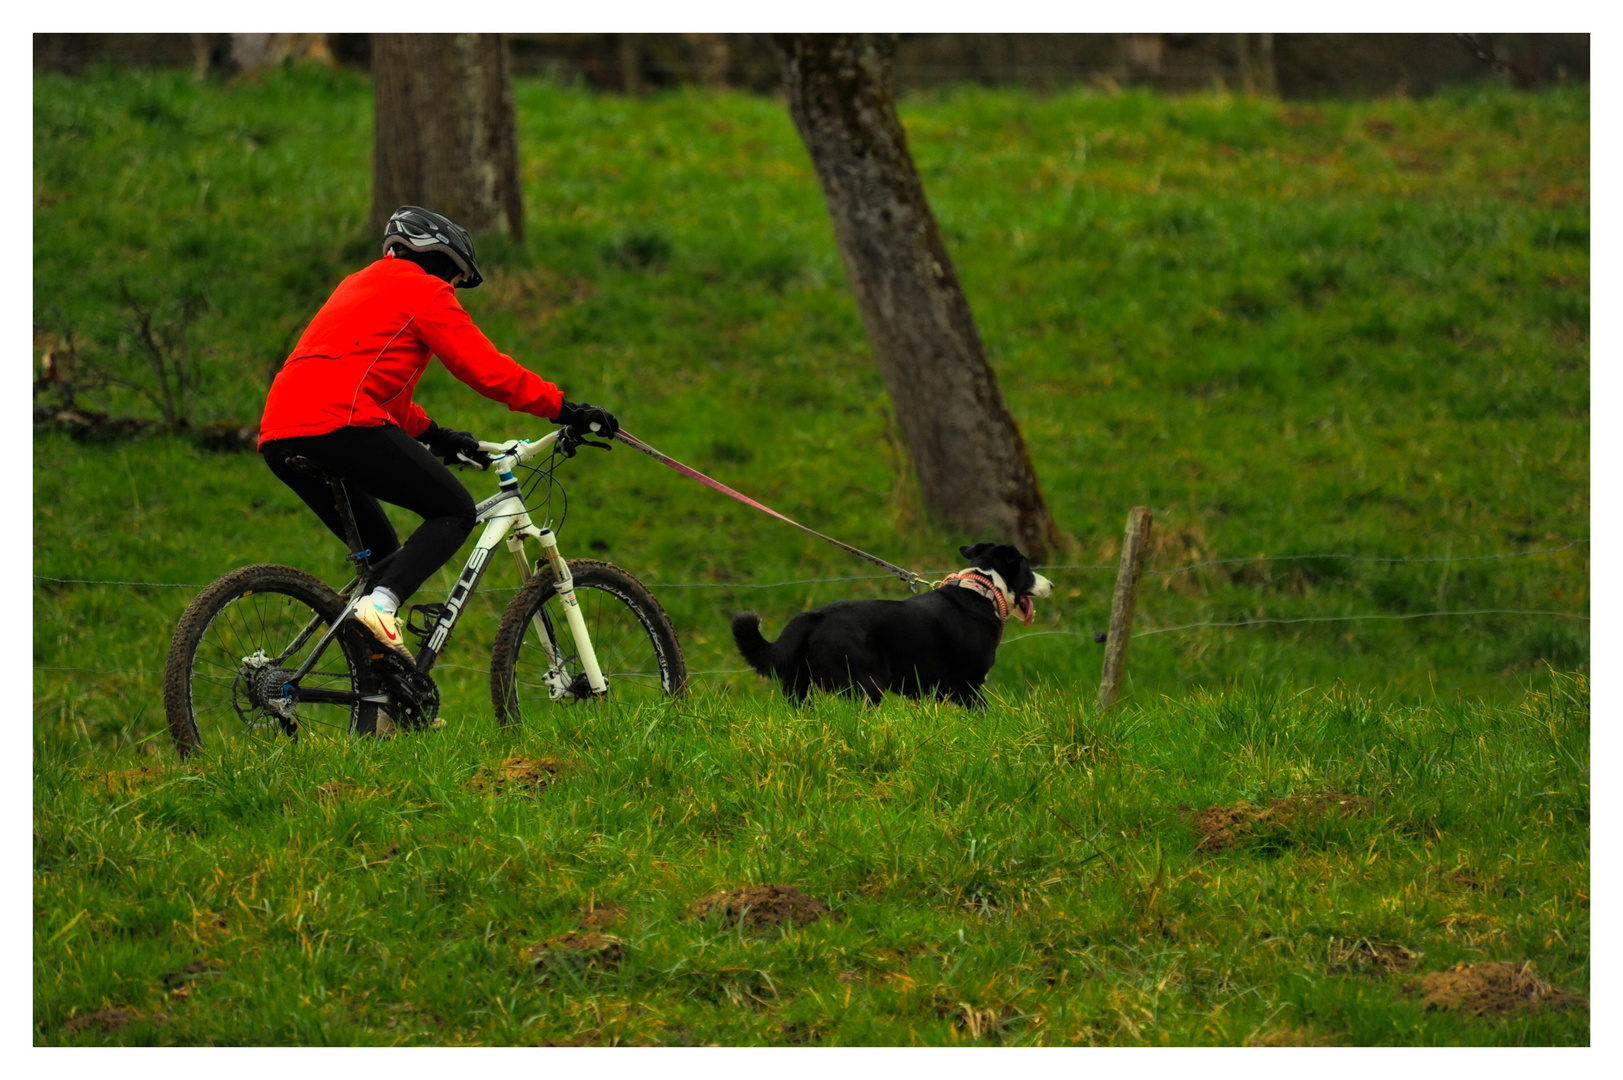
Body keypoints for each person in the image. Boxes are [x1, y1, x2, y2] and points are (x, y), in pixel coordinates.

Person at [258, 205, 617, 657]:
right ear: (437, 257)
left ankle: (377, 687)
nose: (452, 289)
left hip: (280, 432)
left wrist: (437, 435)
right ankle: (381, 609)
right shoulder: (424, 289)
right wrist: (564, 408)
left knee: (384, 552)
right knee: (453, 510)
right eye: (454, 277)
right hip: (342, 422)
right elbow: (485, 370)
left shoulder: (356, 284)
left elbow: (364, 379)